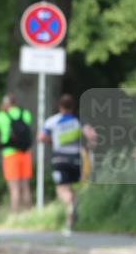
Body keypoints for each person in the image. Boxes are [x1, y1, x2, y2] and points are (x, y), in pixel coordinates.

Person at [39, 94, 96, 235]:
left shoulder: (52, 121)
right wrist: (87, 147)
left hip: (60, 159)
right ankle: (70, 221)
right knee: (71, 188)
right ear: (72, 107)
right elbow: (93, 136)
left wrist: (52, 141)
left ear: (60, 106)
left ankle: (70, 206)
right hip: (76, 159)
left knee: (62, 189)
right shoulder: (78, 122)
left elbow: (41, 137)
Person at [0, 93, 33, 212]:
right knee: (25, 186)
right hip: (25, 153)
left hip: (10, 154)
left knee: (14, 188)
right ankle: (29, 215)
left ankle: (14, 215)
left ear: (5, 104)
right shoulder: (25, 113)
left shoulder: (2, 115)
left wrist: (1, 111)